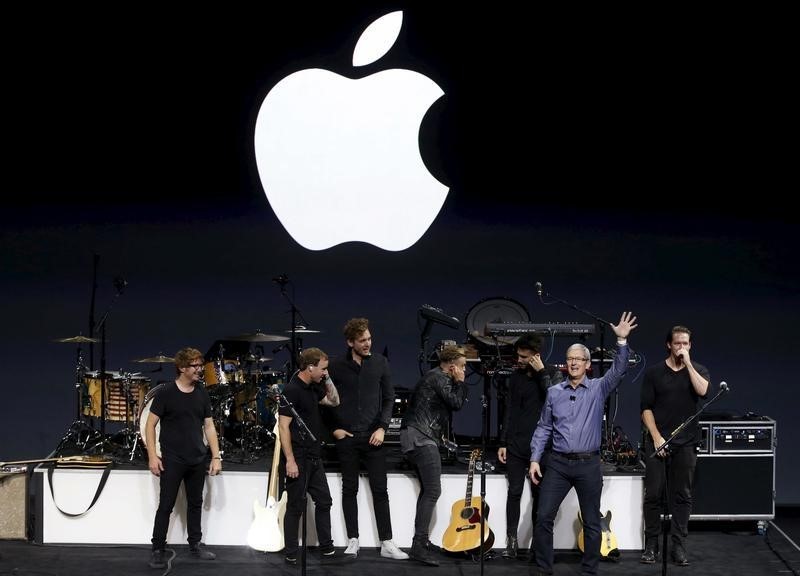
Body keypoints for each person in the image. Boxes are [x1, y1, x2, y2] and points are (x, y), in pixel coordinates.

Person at [528, 311, 637, 576]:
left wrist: (621, 342)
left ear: (588, 364)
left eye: (579, 359)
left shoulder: (599, 388)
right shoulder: (554, 392)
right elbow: (544, 427)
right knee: (543, 517)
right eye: (570, 359)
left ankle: (589, 571)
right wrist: (534, 458)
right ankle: (544, 569)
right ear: (565, 363)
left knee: (591, 522)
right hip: (558, 464)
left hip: (588, 464)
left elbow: (619, 369)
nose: (574, 363)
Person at [326, 318, 408, 560]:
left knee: (380, 490)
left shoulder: (380, 362)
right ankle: (353, 540)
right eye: (362, 340)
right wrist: (334, 429)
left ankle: (387, 542)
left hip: (374, 437)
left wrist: (382, 428)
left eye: (369, 339)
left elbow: (389, 398)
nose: (367, 343)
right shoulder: (336, 365)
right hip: (347, 437)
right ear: (350, 342)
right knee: (349, 489)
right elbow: (325, 401)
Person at [146, 347, 222, 569]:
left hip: (197, 458)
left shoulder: (201, 392)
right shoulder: (166, 393)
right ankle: (158, 548)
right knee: (166, 505)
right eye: (195, 366)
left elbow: (208, 426)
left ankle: (195, 545)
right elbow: (150, 424)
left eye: (200, 365)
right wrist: (153, 455)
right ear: (182, 368)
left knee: (195, 503)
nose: (200, 369)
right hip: (172, 458)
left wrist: (216, 456)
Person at [640, 325, 709, 566]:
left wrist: (688, 364)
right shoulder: (654, 373)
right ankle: (651, 544)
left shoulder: (698, 370)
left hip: (687, 442)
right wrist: (657, 438)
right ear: (668, 345)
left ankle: (678, 545)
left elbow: (703, 391)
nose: (681, 347)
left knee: (683, 495)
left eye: (685, 344)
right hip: (658, 441)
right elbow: (645, 409)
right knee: (654, 494)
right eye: (677, 343)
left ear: (690, 346)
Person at [400, 345, 469, 566]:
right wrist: (460, 382)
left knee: (428, 491)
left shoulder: (436, 376)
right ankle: (419, 546)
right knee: (433, 491)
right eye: (462, 366)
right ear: (452, 366)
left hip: (418, 435)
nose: (464, 370)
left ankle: (420, 543)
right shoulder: (439, 377)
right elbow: (456, 403)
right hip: (420, 436)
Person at [497, 333, 563, 560]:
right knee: (514, 492)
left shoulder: (552, 373)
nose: (520, 360)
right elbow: (510, 409)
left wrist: (541, 372)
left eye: (524, 357)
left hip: (541, 446)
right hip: (516, 443)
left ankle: (538, 544)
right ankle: (511, 541)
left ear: (536, 355)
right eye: (518, 356)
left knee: (539, 495)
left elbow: (555, 401)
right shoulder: (515, 377)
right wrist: (504, 441)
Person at [278, 347, 340, 565]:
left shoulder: (314, 388)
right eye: (323, 369)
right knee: (295, 505)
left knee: (325, 501)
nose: (325, 373)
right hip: (299, 457)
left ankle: (326, 547)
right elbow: (283, 427)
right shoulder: (292, 390)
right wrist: (291, 461)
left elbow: (334, 401)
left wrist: (327, 377)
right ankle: (291, 551)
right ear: (310, 366)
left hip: (314, 456)